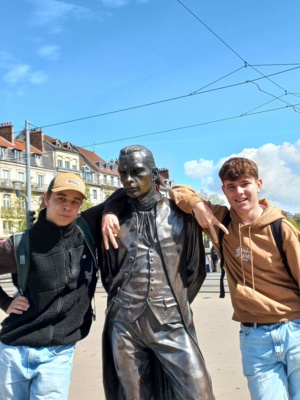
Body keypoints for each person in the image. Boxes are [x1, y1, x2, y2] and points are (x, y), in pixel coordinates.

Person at [169, 157, 300, 400]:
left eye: (245, 184)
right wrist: (198, 206)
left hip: (294, 330)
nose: (239, 192)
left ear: (258, 185)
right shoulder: (220, 221)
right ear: (224, 191)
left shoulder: (281, 228)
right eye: (231, 186)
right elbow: (176, 191)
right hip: (255, 338)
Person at [100, 145, 215, 400]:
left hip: (170, 321)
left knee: (199, 392)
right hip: (125, 324)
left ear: (154, 175)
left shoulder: (181, 215)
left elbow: (195, 271)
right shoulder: (114, 220)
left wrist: (175, 302)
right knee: (134, 395)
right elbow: (109, 273)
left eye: (137, 172)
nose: (128, 180)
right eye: (123, 174)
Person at [0, 172, 125, 400]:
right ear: (46, 199)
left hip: (57, 353)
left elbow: (122, 193)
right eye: (61, 198)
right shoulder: (20, 244)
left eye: (74, 201)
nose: (67, 206)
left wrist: (108, 214)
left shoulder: (85, 229)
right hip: (14, 351)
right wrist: (6, 302)